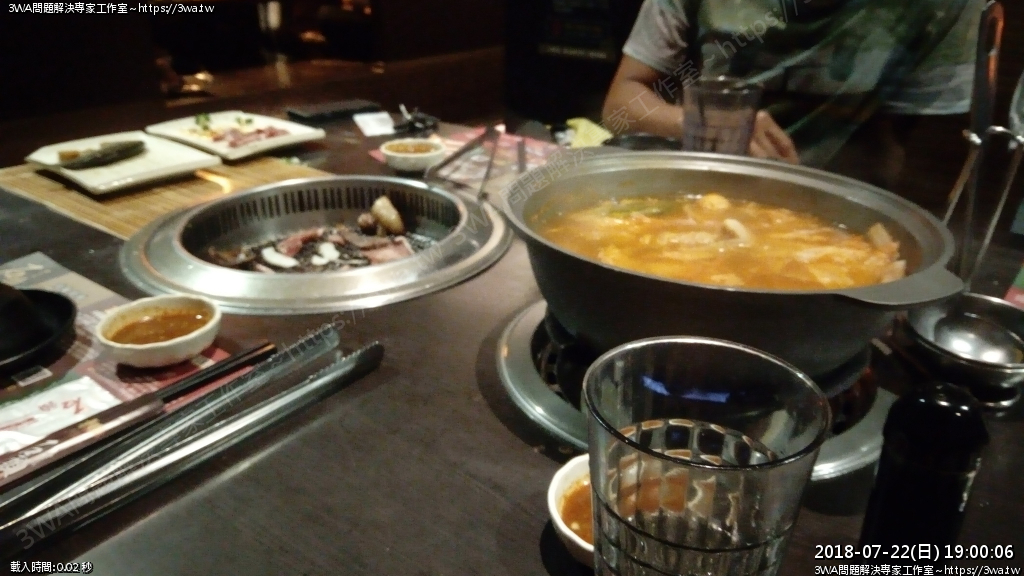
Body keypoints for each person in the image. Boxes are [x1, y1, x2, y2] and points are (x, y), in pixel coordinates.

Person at [603, 0, 983, 189]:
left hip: (840, 209)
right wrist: (705, 125)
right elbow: (620, 105)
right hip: (701, 188)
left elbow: (933, 164)